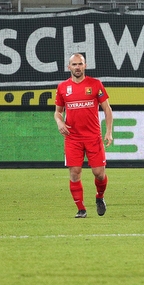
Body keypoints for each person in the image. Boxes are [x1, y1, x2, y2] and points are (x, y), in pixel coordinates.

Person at [55, 53, 113, 218]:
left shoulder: (95, 84)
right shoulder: (62, 88)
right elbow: (57, 113)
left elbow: (107, 109)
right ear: (69, 67)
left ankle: (99, 197)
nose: (77, 67)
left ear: (85, 65)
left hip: (93, 136)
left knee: (99, 173)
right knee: (74, 172)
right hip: (73, 138)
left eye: (80, 64)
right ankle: (81, 209)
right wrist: (59, 123)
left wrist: (108, 131)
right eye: (74, 64)